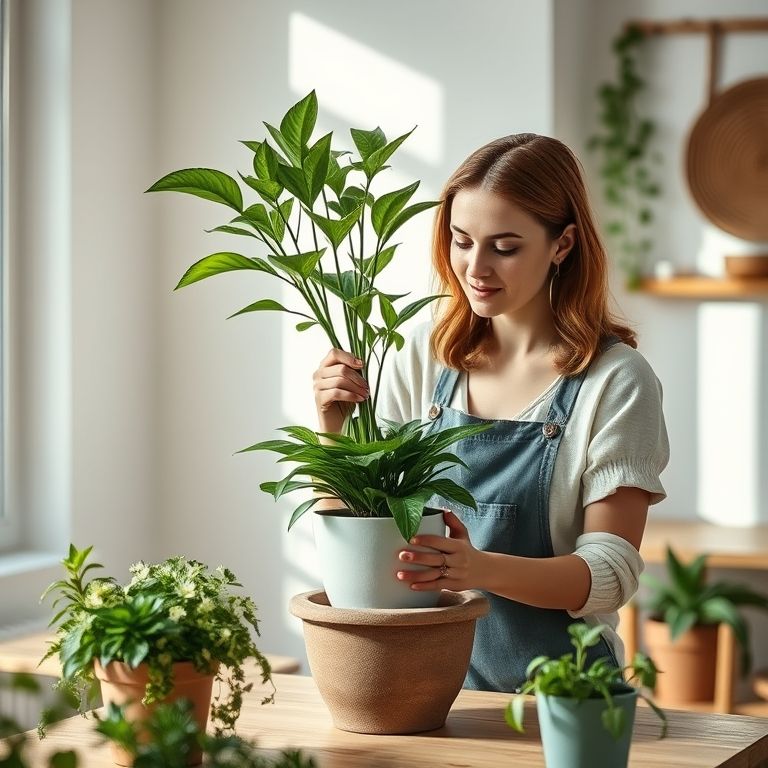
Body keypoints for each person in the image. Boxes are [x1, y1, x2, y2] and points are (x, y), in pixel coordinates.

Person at [312, 133, 669, 692]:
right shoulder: (423, 357)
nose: (474, 268)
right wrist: (331, 430)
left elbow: (609, 574)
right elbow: (359, 538)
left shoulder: (615, 381)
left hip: (564, 696)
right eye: (460, 241)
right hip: (423, 689)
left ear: (563, 244)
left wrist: (476, 568)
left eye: (504, 247)